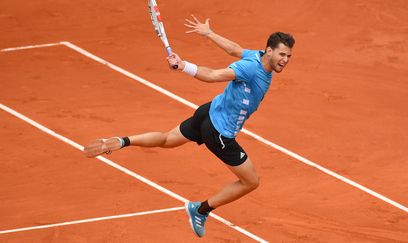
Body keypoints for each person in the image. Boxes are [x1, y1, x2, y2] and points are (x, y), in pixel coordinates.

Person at [83, 15, 295, 238]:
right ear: (269, 51)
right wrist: (185, 66)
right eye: (282, 54)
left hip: (207, 112)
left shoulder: (257, 56)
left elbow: (234, 49)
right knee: (251, 181)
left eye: (289, 56)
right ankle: (201, 210)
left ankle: (123, 141)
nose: (285, 60)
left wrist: (209, 33)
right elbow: (214, 75)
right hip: (219, 133)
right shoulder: (252, 69)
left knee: (166, 140)